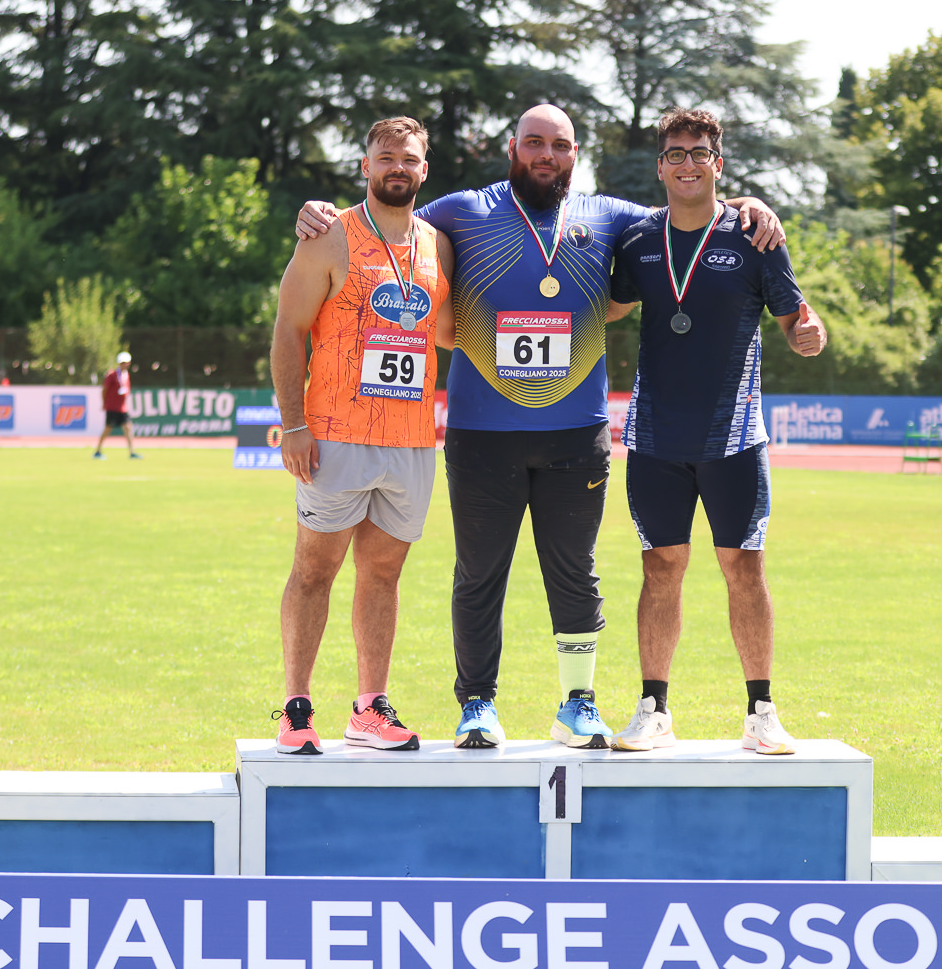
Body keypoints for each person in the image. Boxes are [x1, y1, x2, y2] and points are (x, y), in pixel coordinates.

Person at [295, 104, 786, 749]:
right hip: (481, 431)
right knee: (479, 574)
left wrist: (750, 204)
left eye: (558, 145)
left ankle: (578, 703)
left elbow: (689, 206)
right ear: (513, 147)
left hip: (576, 433)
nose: (545, 154)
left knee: (576, 572)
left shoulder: (612, 217)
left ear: (574, 154)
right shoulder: (461, 210)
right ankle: (477, 704)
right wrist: (321, 212)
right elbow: (388, 213)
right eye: (533, 142)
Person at [605, 108, 825, 755]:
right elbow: (608, 305)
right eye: (675, 154)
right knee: (660, 568)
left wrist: (810, 333)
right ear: (660, 167)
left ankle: (761, 711)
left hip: (734, 438)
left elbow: (795, 318)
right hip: (655, 439)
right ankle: (653, 708)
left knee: (744, 569)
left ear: (718, 164)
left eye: (699, 153)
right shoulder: (637, 241)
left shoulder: (757, 236)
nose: (687, 164)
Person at [270, 117, 455, 754]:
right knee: (314, 570)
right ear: (365, 166)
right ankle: (296, 708)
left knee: (383, 574)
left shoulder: (436, 244)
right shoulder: (327, 235)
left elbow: (449, 332)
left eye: (409, 158)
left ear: (424, 169)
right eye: (385, 157)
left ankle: (369, 707)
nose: (397, 167)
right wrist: (293, 423)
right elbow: (288, 330)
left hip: (411, 440)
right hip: (335, 435)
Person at [94, 353, 140, 459]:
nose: (124, 365)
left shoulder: (126, 375)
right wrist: (104, 403)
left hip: (122, 408)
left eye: (125, 363)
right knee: (108, 428)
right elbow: (105, 389)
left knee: (128, 427)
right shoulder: (112, 375)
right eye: (122, 363)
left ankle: (132, 452)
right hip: (112, 407)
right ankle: (98, 451)